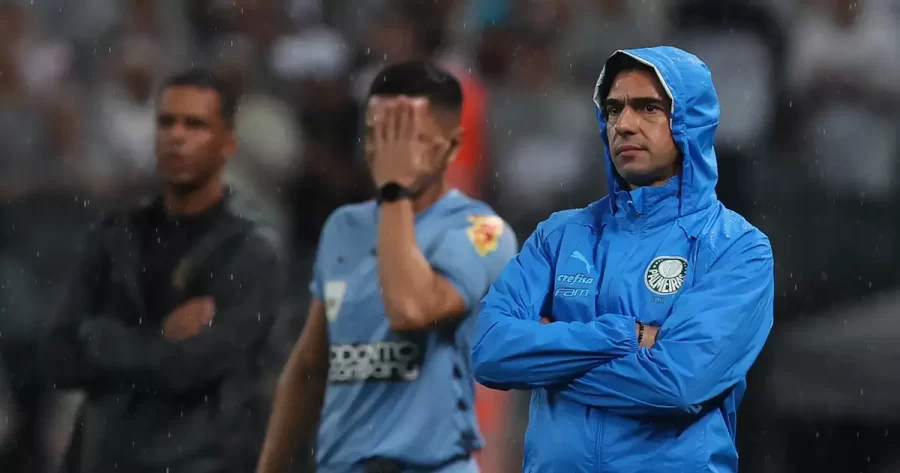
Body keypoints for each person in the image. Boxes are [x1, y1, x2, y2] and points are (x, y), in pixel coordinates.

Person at [471, 46, 774, 472]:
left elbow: (678, 385)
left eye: (648, 107)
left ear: (691, 121)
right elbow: (489, 351)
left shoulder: (737, 248)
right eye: (614, 109)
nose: (624, 124)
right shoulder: (558, 235)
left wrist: (547, 358)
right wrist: (626, 335)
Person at [255, 60, 517, 473]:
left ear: (451, 145)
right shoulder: (343, 227)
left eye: (405, 136)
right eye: (376, 132)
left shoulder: (482, 230)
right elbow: (309, 366)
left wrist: (395, 192)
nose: (385, 152)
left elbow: (411, 309)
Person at [43, 69, 281, 473]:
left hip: (201, 461)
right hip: (103, 459)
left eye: (195, 125)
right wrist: (160, 337)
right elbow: (59, 358)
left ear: (227, 144)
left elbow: (189, 368)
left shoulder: (249, 251)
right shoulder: (113, 236)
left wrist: (102, 338)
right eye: (167, 122)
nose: (177, 136)